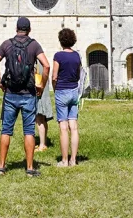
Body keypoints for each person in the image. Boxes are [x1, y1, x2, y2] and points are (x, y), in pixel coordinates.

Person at [0, 17, 50, 177]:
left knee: (6, 130)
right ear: (29, 29)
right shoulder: (34, 45)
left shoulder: (7, 44)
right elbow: (47, 65)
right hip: (28, 94)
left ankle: (1, 167)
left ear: (16, 28)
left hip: (10, 93)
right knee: (29, 131)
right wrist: (42, 86)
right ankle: (30, 168)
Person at [52, 28, 82, 167]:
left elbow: (54, 76)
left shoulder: (58, 56)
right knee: (74, 127)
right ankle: (73, 160)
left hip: (61, 91)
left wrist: (55, 87)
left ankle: (64, 160)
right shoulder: (77, 56)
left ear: (61, 40)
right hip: (74, 91)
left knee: (63, 127)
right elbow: (79, 74)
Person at [34, 61, 54, 151]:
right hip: (44, 90)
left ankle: (42, 145)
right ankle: (44, 142)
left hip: (38, 91)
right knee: (43, 119)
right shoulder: (43, 61)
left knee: (39, 118)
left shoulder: (35, 62)